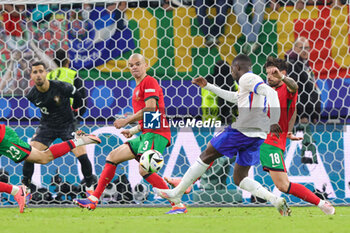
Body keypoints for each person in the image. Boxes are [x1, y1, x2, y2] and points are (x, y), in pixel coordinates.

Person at [154, 54, 292, 216]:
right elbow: (235, 98)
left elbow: (272, 93)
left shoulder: (247, 78)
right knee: (239, 178)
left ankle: (177, 192)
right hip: (258, 136)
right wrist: (208, 86)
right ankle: (275, 200)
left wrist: (274, 120)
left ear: (237, 67)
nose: (230, 72)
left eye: (232, 68)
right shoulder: (248, 83)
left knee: (208, 153)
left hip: (244, 130)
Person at [73, 53, 187, 214]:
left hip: (156, 133)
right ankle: (93, 199)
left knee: (144, 170)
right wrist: (133, 130)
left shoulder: (149, 82)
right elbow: (150, 118)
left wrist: (126, 121)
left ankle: (178, 204)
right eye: (131, 65)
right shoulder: (137, 87)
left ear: (145, 65)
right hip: (147, 132)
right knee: (113, 156)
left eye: (138, 64)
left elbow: (151, 109)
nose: (134, 67)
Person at [261, 56, 335, 215]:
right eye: (267, 73)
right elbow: (292, 111)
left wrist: (281, 78)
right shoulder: (269, 91)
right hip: (259, 139)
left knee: (283, 186)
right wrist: (288, 130)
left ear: (283, 73)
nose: (269, 76)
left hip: (271, 142)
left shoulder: (286, 88)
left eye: (273, 73)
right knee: (237, 172)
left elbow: (294, 86)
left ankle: (322, 204)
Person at [22, 61, 96, 195]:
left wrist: (75, 113)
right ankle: (25, 189)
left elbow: (79, 98)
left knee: (82, 155)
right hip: (47, 127)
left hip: (68, 125)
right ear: (31, 76)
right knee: (30, 155)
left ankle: (90, 189)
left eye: (40, 71)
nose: (38, 75)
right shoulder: (31, 95)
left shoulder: (62, 87)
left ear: (46, 73)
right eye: (35, 72)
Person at [0, 123, 101, 213]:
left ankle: (78, 141)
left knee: (42, 158)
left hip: (3, 138)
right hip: (47, 124)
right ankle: (16, 190)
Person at [285, 37, 320, 164]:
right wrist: (304, 113)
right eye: (301, 48)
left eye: (307, 48)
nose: (305, 51)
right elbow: (298, 91)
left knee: (305, 134)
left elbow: (311, 88)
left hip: (304, 111)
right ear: (294, 48)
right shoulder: (292, 65)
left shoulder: (304, 64)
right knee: (304, 133)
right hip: (299, 112)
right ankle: (308, 157)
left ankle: (307, 156)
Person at [46, 49, 87, 117]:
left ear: (54, 61)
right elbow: (82, 99)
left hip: (51, 116)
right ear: (68, 60)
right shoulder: (73, 74)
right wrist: (77, 117)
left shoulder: (48, 76)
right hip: (69, 115)